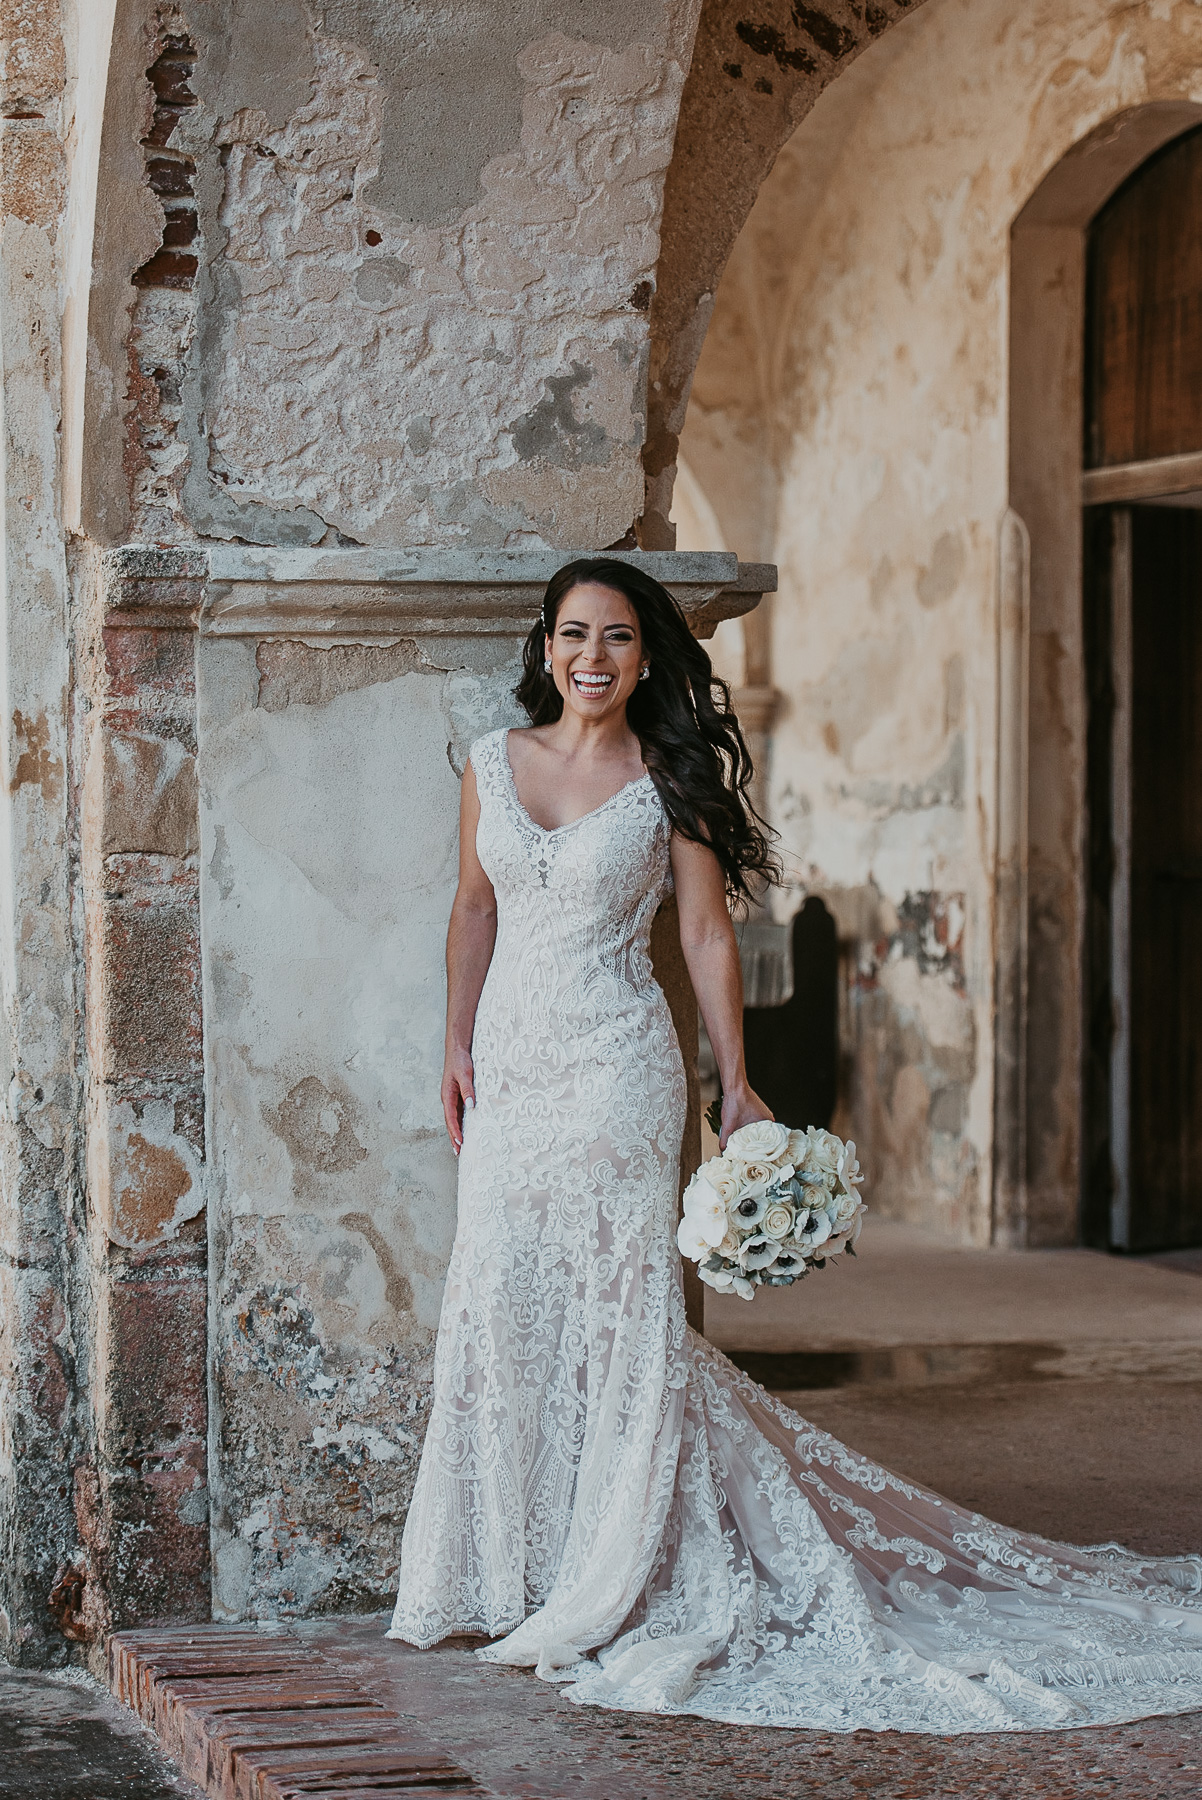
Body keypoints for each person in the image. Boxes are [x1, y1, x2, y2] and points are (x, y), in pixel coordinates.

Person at [388, 558, 1202, 1732]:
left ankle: (608, 1573)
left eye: (617, 638)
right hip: (512, 1071)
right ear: (546, 644)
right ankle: (502, 1569)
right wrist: (455, 1044)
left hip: (619, 1069)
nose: (592, 658)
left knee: (622, 1312)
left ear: (648, 657)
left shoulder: (665, 779)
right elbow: (472, 909)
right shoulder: (489, 763)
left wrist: (736, 1082)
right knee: (501, 1294)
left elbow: (709, 937)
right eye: (573, 634)